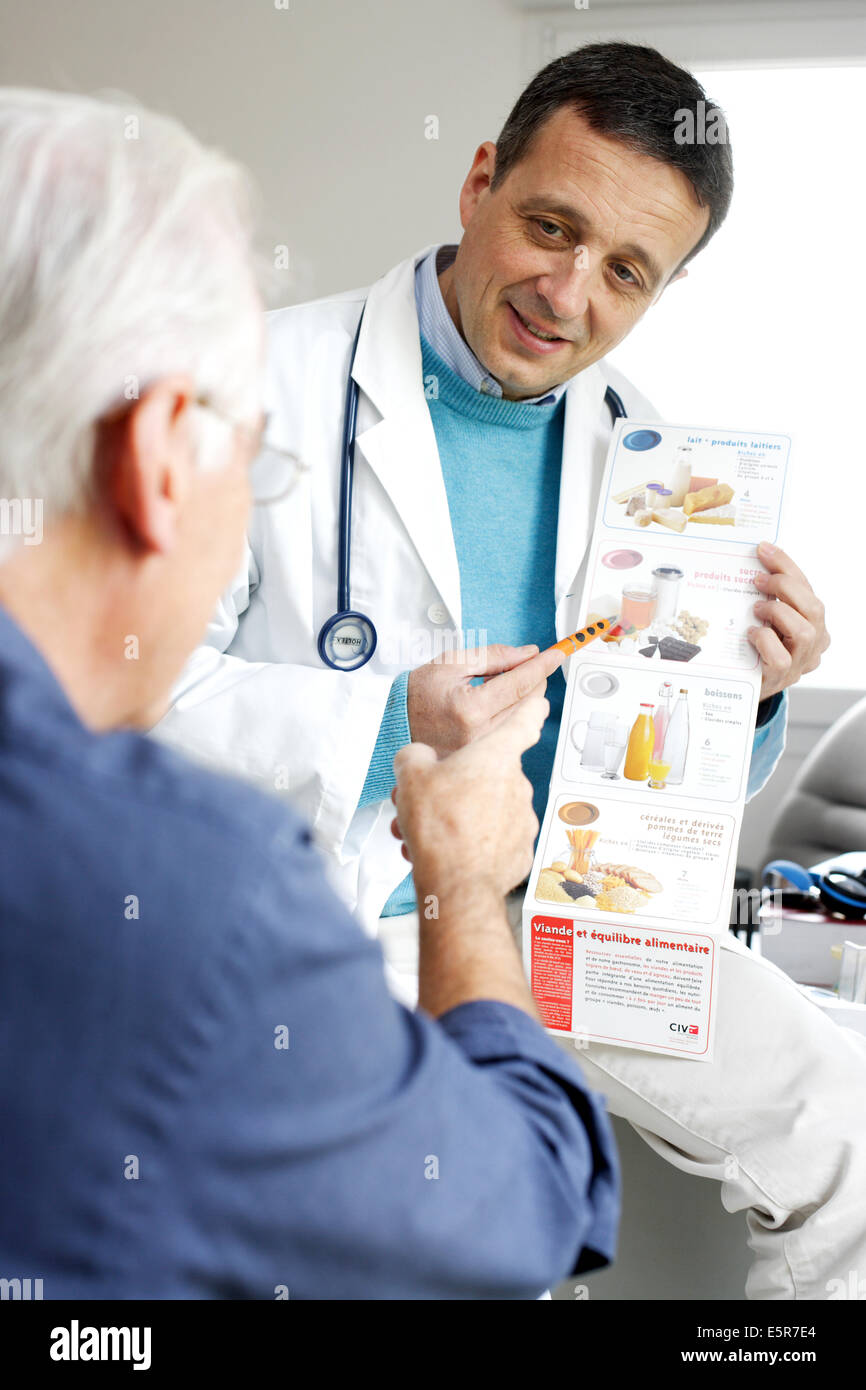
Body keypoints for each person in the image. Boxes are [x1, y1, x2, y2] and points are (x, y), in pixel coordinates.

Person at [156, 42, 866, 1302]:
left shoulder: (651, 459)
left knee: (847, 1126)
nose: (566, 291)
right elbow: (122, 694)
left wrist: (747, 694)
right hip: (342, 927)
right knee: (479, 1235)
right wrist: (382, 722)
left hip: (574, 926)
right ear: (480, 179)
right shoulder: (252, 386)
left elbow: (646, 754)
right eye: (550, 225)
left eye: (626, 271)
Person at [0, 88, 619, 1300]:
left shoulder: (633, 440)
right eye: (256, 458)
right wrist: (458, 883)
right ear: (160, 459)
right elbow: (517, 1214)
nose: (569, 288)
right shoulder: (186, 891)